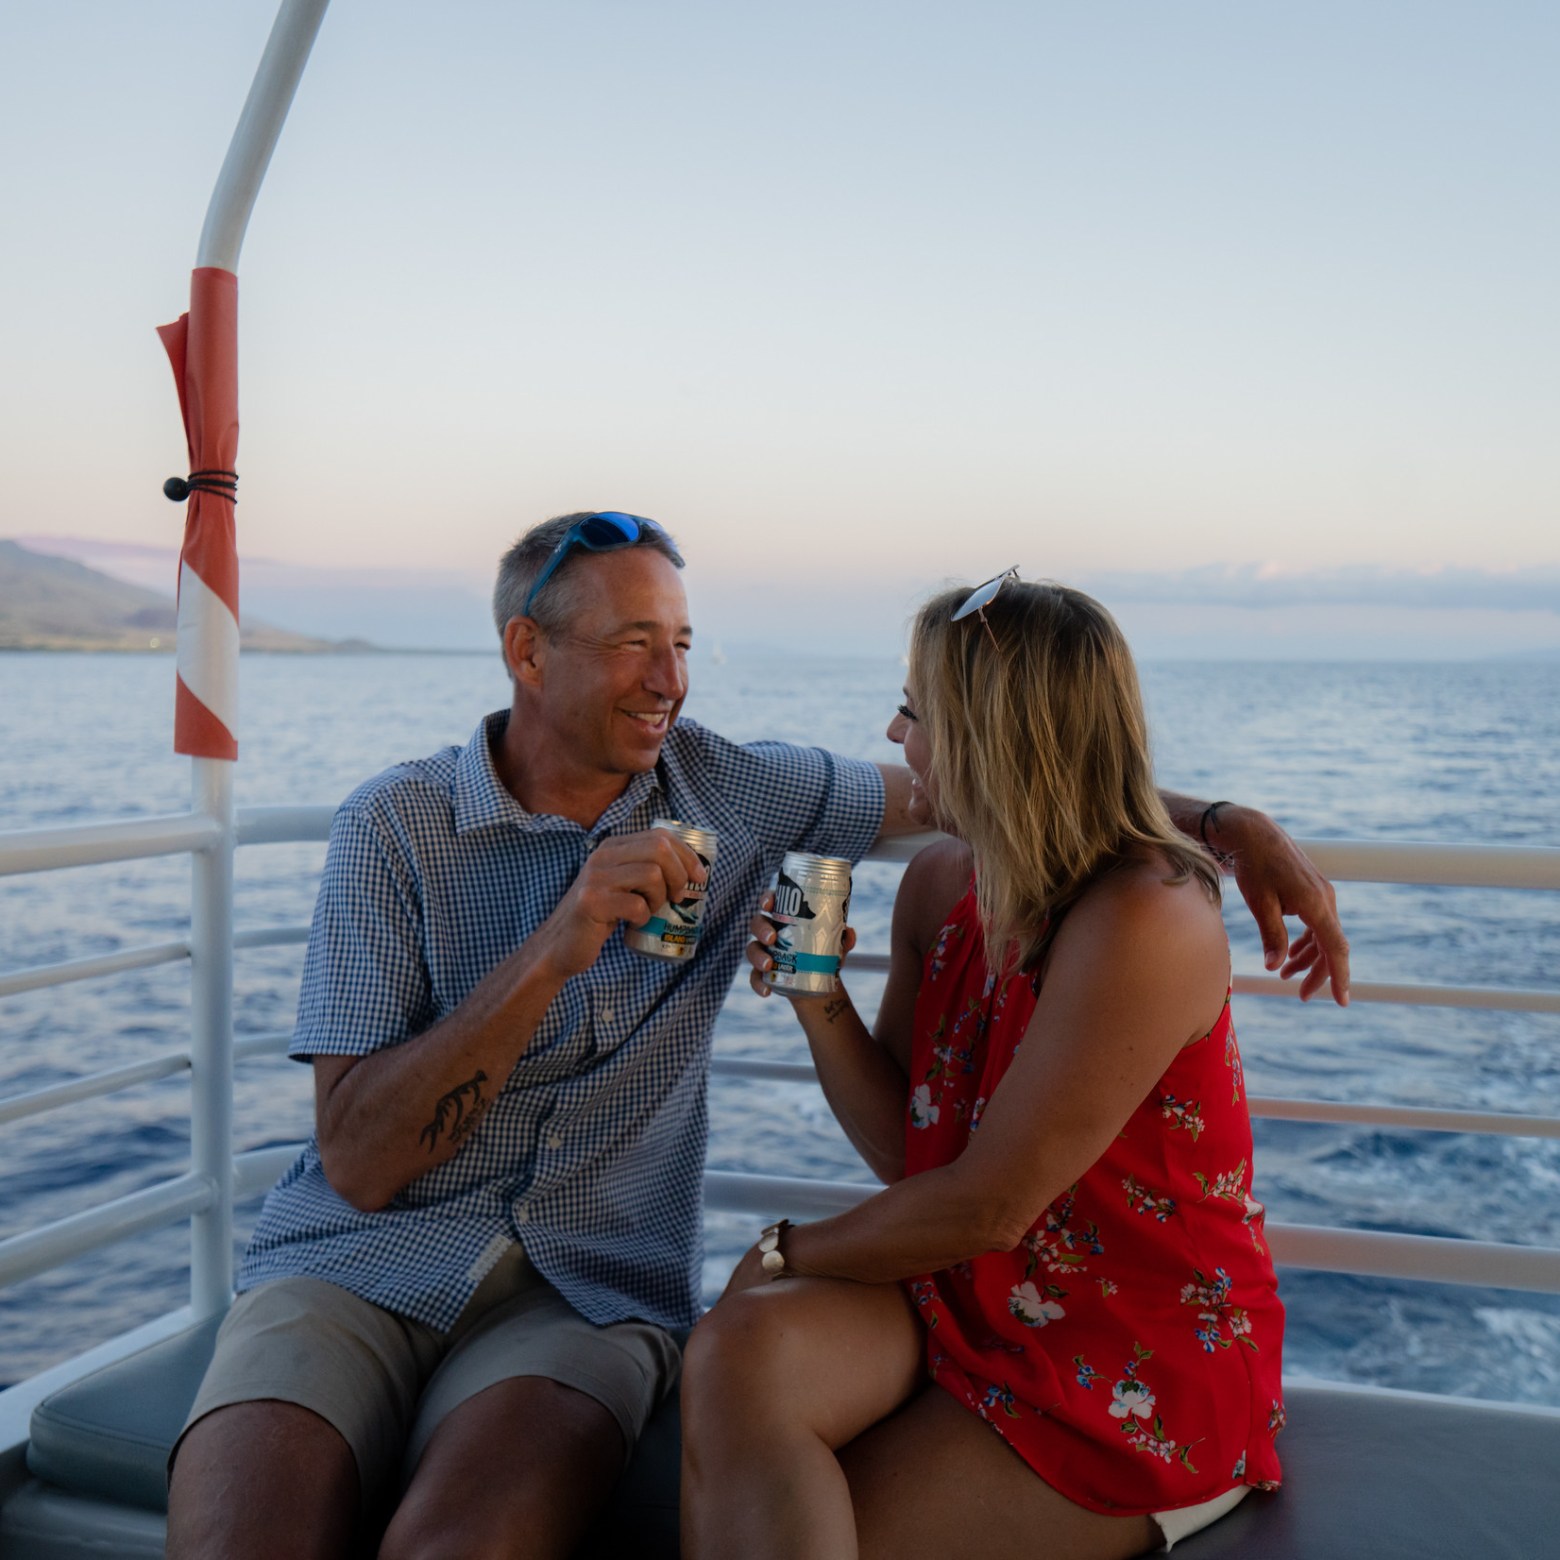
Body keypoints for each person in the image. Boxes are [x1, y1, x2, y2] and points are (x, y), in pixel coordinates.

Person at [166, 522, 1343, 1560]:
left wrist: (1228, 822)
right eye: (636, 642)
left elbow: (1036, 786)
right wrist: (575, 945)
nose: (671, 679)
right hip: (361, 1259)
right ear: (528, 652)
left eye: (682, 642)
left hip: (598, 1288)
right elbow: (363, 1167)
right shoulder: (397, 826)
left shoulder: (734, 790)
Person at [681, 573, 1309, 1560]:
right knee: (737, 1352)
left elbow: (985, 1208)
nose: (895, 737)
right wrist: (819, 1002)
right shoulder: (941, 882)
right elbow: (911, 1158)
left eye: (914, 711)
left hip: (1129, 1358)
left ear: (990, 734)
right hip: (962, 1290)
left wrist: (778, 1253)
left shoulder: (1145, 918)